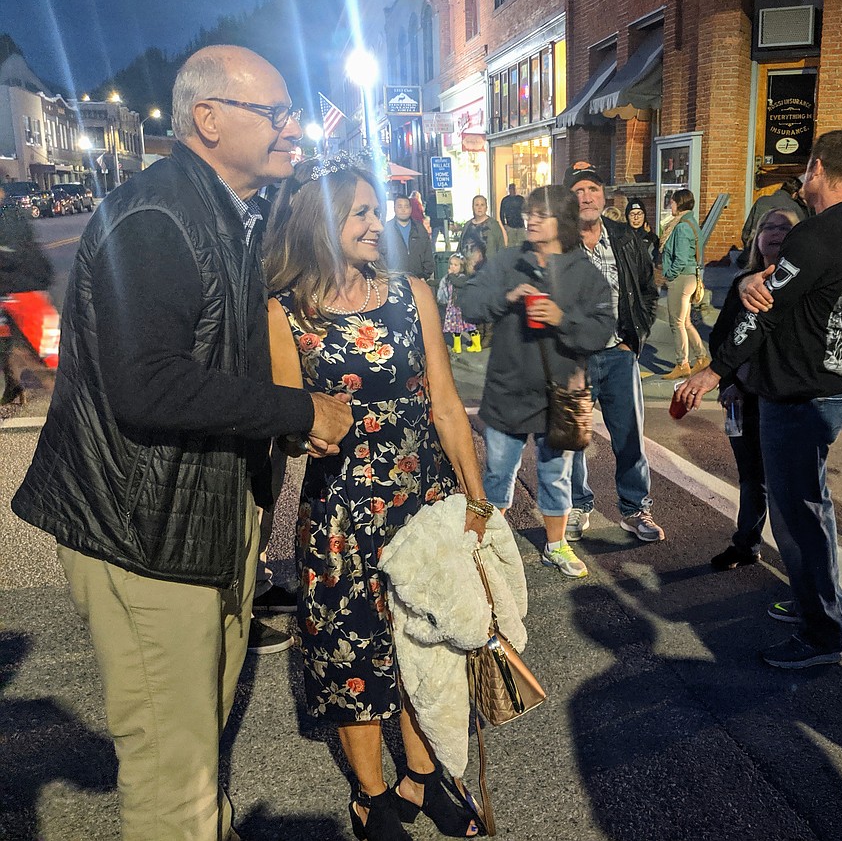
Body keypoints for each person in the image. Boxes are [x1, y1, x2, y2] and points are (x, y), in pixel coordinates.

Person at [11, 45, 354, 841]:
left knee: (197, 732)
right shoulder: (160, 216)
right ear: (208, 119)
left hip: (201, 519)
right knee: (174, 761)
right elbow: (147, 383)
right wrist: (296, 411)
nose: (293, 128)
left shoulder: (229, 210)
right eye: (275, 114)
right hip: (144, 531)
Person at [265, 153, 487, 841]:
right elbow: (285, 422)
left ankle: (422, 773)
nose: (375, 222)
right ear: (323, 224)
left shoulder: (412, 292)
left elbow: (448, 406)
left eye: (374, 209)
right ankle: (371, 795)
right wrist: (305, 433)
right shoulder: (284, 313)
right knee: (352, 652)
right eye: (359, 212)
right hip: (339, 513)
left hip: (420, 500)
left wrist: (478, 503)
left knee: (423, 642)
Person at [674, 129, 842, 669]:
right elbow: (775, 293)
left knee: (798, 516)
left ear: (816, 169)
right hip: (827, 384)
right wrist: (743, 287)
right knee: (814, 508)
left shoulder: (815, 234)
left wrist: (713, 371)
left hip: (800, 393)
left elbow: (765, 309)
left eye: (808, 169)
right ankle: (821, 606)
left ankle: (823, 634)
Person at [461, 184, 614, 577]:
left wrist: (563, 319)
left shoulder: (584, 271)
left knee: (556, 473)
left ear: (562, 222)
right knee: (497, 472)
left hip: (560, 394)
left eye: (541, 214)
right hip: (507, 389)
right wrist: (507, 297)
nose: (531, 219)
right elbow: (470, 304)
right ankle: (493, 544)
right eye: (530, 212)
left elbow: (602, 330)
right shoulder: (508, 259)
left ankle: (556, 544)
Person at [562, 161, 664, 544]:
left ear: (604, 197)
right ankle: (577, 505)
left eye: (592, 190)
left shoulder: (625, 238)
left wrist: (634, 338)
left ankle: (635, 509)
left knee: (630, 438)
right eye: (578, 192)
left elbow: (647, 291)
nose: (586, 198)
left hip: (619, 354)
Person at [707, 207, 798, 571]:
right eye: (769, 227)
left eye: (786, 228)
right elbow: (723, 338)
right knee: (751, 477)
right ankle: (746, 543)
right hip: (743, 398)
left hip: (783, 397)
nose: (776, 233)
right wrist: (729, 382)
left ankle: (798, 567)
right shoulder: (743, 281)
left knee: (787, 484)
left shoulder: (802, 286)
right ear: (758, 238)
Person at [0, 181, 53, 405]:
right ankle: (14, 383)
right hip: (18, 288)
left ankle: (66, 403)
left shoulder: (8, 216)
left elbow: (15, 254)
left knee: (45, 355)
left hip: (21, 289)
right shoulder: (12, 212)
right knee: (10, 343)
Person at [660, 188, 709, 381]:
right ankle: (702, 357)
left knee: (677, 323)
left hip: (681, 277)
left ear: (679, 203)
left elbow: (680, 259)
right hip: (691, 275)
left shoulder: (681, 227)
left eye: (672, 202)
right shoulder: (692, 223)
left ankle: (682, 363)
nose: (670, 205)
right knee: (686, 322)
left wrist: (670, 275)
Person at [741, 176, 807, 248]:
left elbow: (746, 232)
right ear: (795, 194)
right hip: (782, 252)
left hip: (755, 249)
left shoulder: (761, 201)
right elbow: (802, 235)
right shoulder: (795, 208)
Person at [437, 254, 481, 353]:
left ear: (461, 267)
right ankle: (457, 347)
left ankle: (476, 344)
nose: (452, 267)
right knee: (455, 328)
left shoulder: (463, 278)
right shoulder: (449, 277)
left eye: (456, 265)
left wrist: (451, 275)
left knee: (469, 327)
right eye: (451, 264)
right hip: (453, 307)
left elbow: (457, 283)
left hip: (462, 308)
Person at [386, 194, 436, 281]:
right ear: (394, 208)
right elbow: (381, 256)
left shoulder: (420, 229)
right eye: (399, 206)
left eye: (406, 206)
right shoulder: (386, 230)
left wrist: (425, 275)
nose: (403, 210)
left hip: (418, 279)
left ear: (411, 209)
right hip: (394, 280)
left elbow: (428, 253)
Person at [457, 195, 506, 261]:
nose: (479, 208)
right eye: (477, 205)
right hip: (468, 268)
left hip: (488, 268)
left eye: (482, 205)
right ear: (472, 207)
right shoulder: (467, 225)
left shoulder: (493, 225)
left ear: (486, 208)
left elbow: (501, 247)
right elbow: (460, 248)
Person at [624, 198, 660, 267]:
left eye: (639, 214)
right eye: (632, 214)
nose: (636, 218)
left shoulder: (652, 238)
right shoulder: (622, 236)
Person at [499, 182, 526, 247]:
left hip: (520, 226)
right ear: (508, 190)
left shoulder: (521, 199)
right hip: (510, 227)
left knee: (522, 246)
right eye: (511, 189)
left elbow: (525, 209)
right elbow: (502, 213)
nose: (512, 190)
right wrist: (504, 225)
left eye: (514, 189)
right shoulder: (505, 200)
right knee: (511, 246)